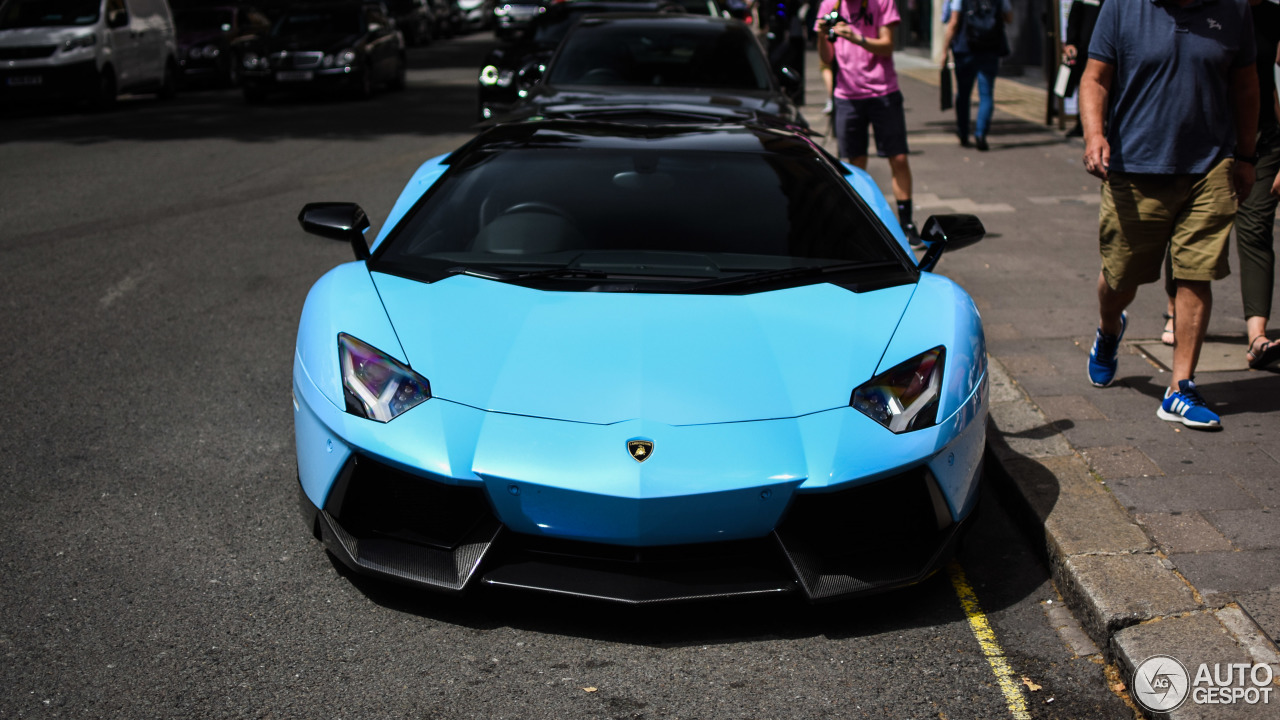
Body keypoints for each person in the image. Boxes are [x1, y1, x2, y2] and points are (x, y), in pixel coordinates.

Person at [1081, 0, 1258, 430]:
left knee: (1194, 273)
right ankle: (1108, 330)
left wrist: (1247, 155)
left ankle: (1181, 388)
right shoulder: (1122, 8)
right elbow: (1095, 78)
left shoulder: (1234, 10)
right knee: (1120, 279)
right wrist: (1094, 134)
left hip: (1210, 165)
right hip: (1135, 166)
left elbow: (1247, 86)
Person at [815, 0, 921, 245]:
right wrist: (822, 35)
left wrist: (855, 37)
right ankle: (862, 224)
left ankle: (906, 223)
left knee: (899, 157)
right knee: (856, 163)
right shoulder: (829, 5)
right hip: (848, 96)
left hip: (883, 92)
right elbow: (826, 57)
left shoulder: (882, 2)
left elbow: (888, 46)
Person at [1236, 0, 1280, 369]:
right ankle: (1175, 310)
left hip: (1265, 140)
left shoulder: (1272, 16)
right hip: (1209, 143)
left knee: (1254, 228)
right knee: (1188, 228)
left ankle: (1257, 337)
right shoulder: (1207, 12)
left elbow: (1276, 85)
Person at [940, 0, 1012, 151]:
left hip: (965, 49)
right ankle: (980, 134)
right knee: (986, 94)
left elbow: (953, 22)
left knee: (963, 94)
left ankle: (963, 132)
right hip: (990, 48)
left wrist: (944, 50)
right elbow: (1009, 18)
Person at [1062, 0, 1105, 138]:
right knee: (1085, 87)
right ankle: (1082, 125)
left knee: (1109, 88)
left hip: (1108, 50)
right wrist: (1071, 42)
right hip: (1085, 50)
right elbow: (1074, 17)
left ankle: (1106, 124)